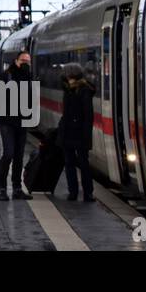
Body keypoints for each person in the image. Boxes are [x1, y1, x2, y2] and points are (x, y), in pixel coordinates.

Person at [0, 52, 33, 201]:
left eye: (28, 61)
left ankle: (17, 188)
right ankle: (1, 188)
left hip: (22, 121)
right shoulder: (6, 76)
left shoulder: (29, 77)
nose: (25, 63)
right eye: (23, 60)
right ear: (16, 61)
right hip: (7, 121)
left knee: (19, 155)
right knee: (8, 153)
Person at [57, 63, 95, 202]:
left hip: (78, 133)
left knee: (80, 163)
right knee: (72, 163)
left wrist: (86, 136)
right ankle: (75, 192)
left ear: (70, 74)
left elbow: (88, 115)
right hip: (68, 132)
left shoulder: (84, 90)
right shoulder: (68, 89)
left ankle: (85, 192)